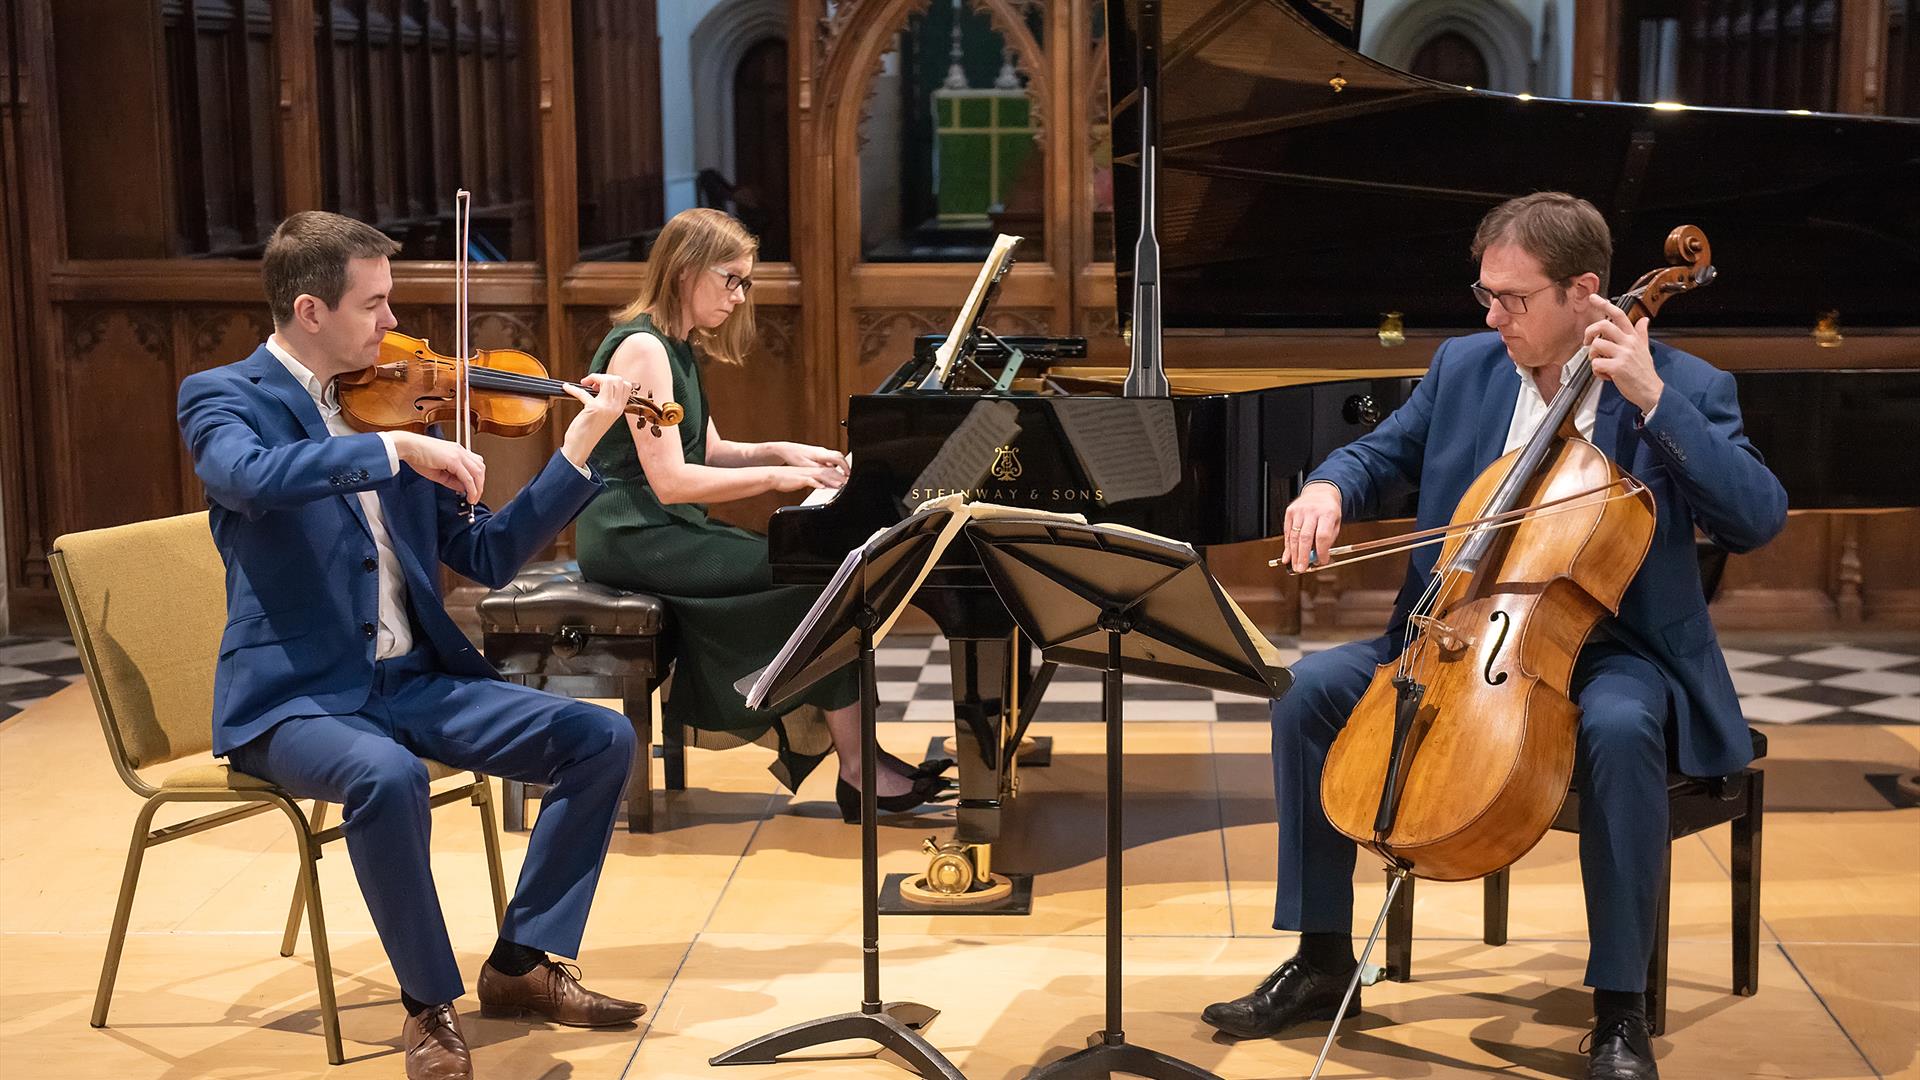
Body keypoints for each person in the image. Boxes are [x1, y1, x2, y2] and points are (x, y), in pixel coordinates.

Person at [1200, 192, 1786, 1080]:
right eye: (1485, 295)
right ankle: (1322, 961)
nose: (1491, 315)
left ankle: (1620, 1010)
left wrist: (1653, 397)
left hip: (1616, 649)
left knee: (1623, 730)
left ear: (1584, 293)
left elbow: (1756, 517)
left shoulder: (1686, 387)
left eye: (1512, 298)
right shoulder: (1466, 367)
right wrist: (1327, 488)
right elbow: (1380, 453)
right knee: (1310, 695)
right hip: (1462, 628)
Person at [178, 211, 647, 1080]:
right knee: (385, 777)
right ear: (311, 310)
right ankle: (429, 1009)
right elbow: (248, 480)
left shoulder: (401, 400)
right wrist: (388, 449)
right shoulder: (224, 397)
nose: (395, 326)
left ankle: (522, 965)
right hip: (296, 697)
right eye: (377, 304)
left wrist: (576, 449)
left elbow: (488, 556)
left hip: (413, 681)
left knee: (600, 739)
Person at [575, 207, 949, 822]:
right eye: (731, 279)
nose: (740, 296)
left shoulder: (673, 344)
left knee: (829, 580)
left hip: (662, 526)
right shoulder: (642, 349)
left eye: (746, 282)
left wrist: (782, 449)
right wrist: (778, 479)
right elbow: (670, 481)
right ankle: (860, 772)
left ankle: (864, 762)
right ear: (686, 270)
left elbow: (711, 450)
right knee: (826, 589)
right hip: (632, 531)